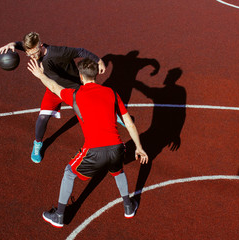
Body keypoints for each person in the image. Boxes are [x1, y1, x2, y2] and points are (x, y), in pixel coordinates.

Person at [27, 58, 148, 228]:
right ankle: (128, 206)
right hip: (117, 148)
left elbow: (54, 87)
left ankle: (59, 215)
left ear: (81, 77)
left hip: (94, 151)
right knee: (117, 170)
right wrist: (139, 148)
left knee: (69, 172)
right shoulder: (112, 93)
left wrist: (40, 75)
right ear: (96, 75)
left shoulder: (76, 95)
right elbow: (129, 123)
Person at [0, 32, 107, 163]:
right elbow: (24, 46)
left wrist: (99, 61)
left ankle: (101, 137)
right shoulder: (33, 50)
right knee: (43, 117)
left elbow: (80, 51)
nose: (32, 57)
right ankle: (37, 144)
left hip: (73, 89)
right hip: (53, 89)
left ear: (41, 45)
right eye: (29, 55)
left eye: (34, 53)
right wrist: (13, 44)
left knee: (85, 116)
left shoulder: (58, 53)